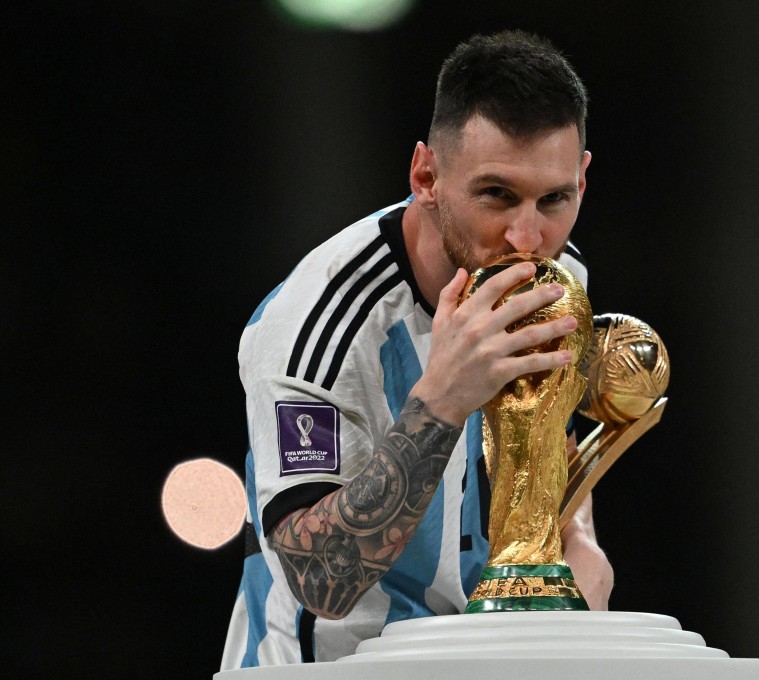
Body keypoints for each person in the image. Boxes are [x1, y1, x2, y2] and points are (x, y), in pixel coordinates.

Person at [221, 30, 613, 669]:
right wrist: (441, 401)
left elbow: (548, 439)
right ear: (426, 176)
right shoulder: (316, 325)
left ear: (582, 181)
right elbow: (320, 581)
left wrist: (579, 541)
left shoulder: (559, 276)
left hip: (468, 662)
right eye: (497, 195)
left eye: (555, 199)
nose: (528, 236)